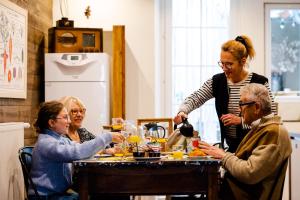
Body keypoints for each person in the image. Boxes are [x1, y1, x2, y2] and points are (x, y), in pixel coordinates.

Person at [173, 35, 276, 152]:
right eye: (222, 63)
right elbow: (196, 97)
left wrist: (241, 121)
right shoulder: (217, 81)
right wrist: (183, 111)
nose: (224, 68)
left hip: (257, 145)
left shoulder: (260, 82)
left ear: (242, 61)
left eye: (229, 64)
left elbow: (271, 119)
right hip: (232, 146)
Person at [199, 83, 292, 200]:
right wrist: (217, 153)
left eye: (241, 104)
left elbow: (250, 172)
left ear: (257, 107)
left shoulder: (272, 133)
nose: (239, 110)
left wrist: (223, 156)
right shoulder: (260, 128)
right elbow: (244, 160)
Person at [28, 101, 124, 199]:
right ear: (52, 122)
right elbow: (78, 152)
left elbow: (80, 148)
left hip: (59, 193)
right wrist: (107, 137)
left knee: (109, 193)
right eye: (65, 117)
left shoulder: (60, 140)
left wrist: (105, 148)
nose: (69, 121)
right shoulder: (47, 143)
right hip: (47, 197)